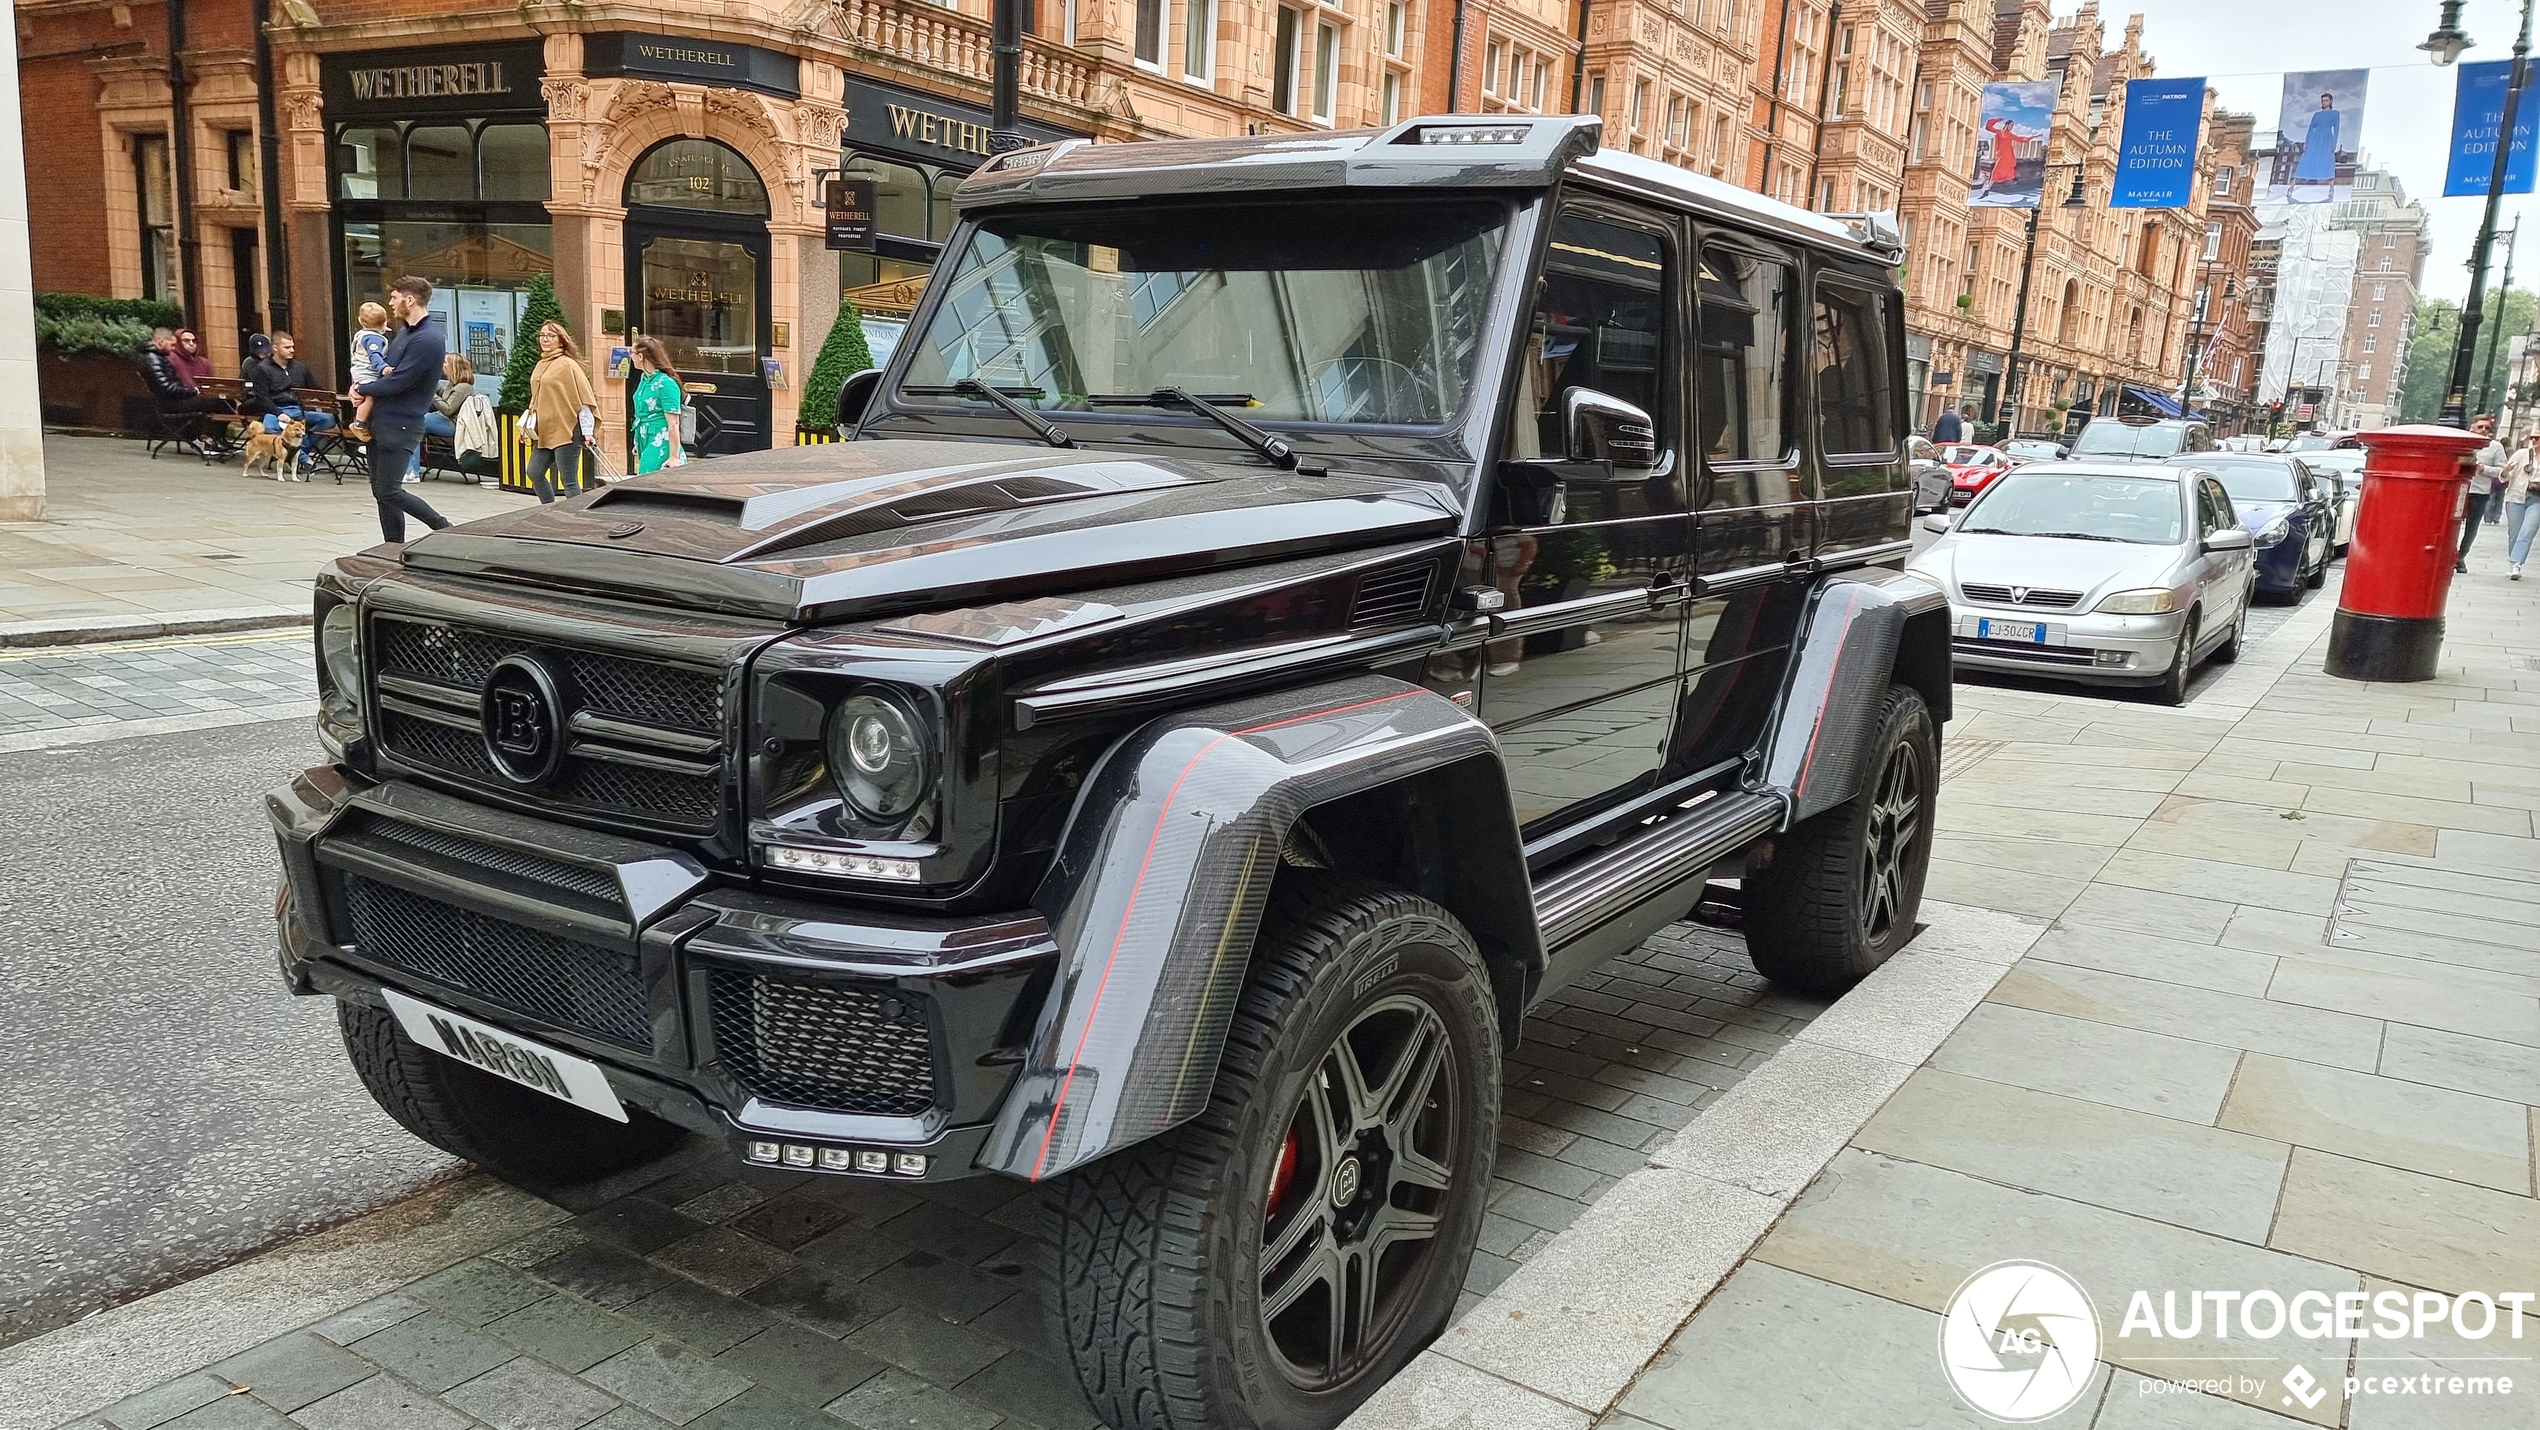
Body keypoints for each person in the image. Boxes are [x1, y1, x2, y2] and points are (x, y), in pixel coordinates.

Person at [353, 275, 454, 544]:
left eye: (395, 298)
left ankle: (444, 528)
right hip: (383, 421)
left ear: (410, 300)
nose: (391, 303)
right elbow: (382, 371)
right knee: (381, 492)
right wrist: (360, 387)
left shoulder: (427, 339)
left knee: (389, 490)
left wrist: (363, 390)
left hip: (402, 424)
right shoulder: (404, 334)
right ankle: (392, 547)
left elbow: (400, 382)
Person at [523, 320, 598, 502]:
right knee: (534, 471)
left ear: (561, 340)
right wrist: (526, 425)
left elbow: (583, 398)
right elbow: (537, 397)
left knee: (569, 479)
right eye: (542, 335)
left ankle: (578, 518)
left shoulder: (568, 365)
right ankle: (548, 508)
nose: (545, 339)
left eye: (550, 336)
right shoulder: (541, 364)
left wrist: (587, 431)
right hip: (546, 430)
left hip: (568, 428)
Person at [243, 332, 335, 464]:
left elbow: (316, 388)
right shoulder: (262, 369)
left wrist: (323, 400)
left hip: (299, 409)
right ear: (275, 348)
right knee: (270, 427)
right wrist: (278, 413)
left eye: (292, 347)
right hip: (275, 409)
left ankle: (296, 451)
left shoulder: (300, 367)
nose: (292, 350)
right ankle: (304, 459)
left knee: (328, 420)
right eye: (287, 347)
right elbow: (262, 397)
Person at [140, 327, 232, 457]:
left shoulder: (156, 357)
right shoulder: (153, 359)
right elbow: (167, 388)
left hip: (174, 400)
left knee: (225, 402)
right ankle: (211, 439)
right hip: (171, 404)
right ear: (160, 342)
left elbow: (170, 385)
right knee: (219, 402)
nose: (173, 348)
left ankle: (216, 439)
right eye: (172, 345)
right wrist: (192, 391)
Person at [627, 336, 687, 474]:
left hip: (661, 438)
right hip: (645, 437)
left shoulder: (666, 383)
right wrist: (638, 441)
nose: (631, 356)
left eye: (632, 352)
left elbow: (673, 423)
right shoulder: (644, 379)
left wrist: (674, 457)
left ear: (640, 356)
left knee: (646, 481)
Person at [2462, 413, 2504, 573]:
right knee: (2452, 525)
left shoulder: (2495, 447)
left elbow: (2502, 471)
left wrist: (2484, 468)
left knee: (2472, 527)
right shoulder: (2463, 441)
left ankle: (2461, 556)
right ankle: (2450, 554)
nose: (2484, 430)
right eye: (2480, 427)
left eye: (2487, 428)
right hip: (2461, 490)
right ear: (2472, 427)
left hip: (2479, 492)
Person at [347, 302, 389, 440]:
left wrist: (381, 329)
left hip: (358, 371)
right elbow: (374, 355)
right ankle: (359, 423)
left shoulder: (362, 334)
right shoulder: (373, 339)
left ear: (361, 321)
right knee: (370, 397)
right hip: (367, 372)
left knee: (365, 396)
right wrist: (383, 368)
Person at [2503, 430, 2540, 579]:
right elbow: (2506, 475)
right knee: (2514, 533)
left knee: (2527, 532)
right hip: (2516, 496)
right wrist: (2506, 471)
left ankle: (2517, 564)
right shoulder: (2522, 454)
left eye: (2537, 438)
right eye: (2532, 438)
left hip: (2537, 499)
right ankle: (2513, 564)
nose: (2534, 440)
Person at [2295, 92, 2342, 195]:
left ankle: (2331, 189)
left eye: (2326, 100)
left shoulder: (2335, 113)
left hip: (2327, 138)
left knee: (2328, 161)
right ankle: (2291, 186)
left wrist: (2334, 143)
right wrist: (2306, 143)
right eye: (2322, 101)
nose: (2324, 103)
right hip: (2315, 139)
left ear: (2330, 101)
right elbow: (2311, 128)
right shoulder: (2317, 114)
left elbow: (2337, 129)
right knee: (2306, 159)